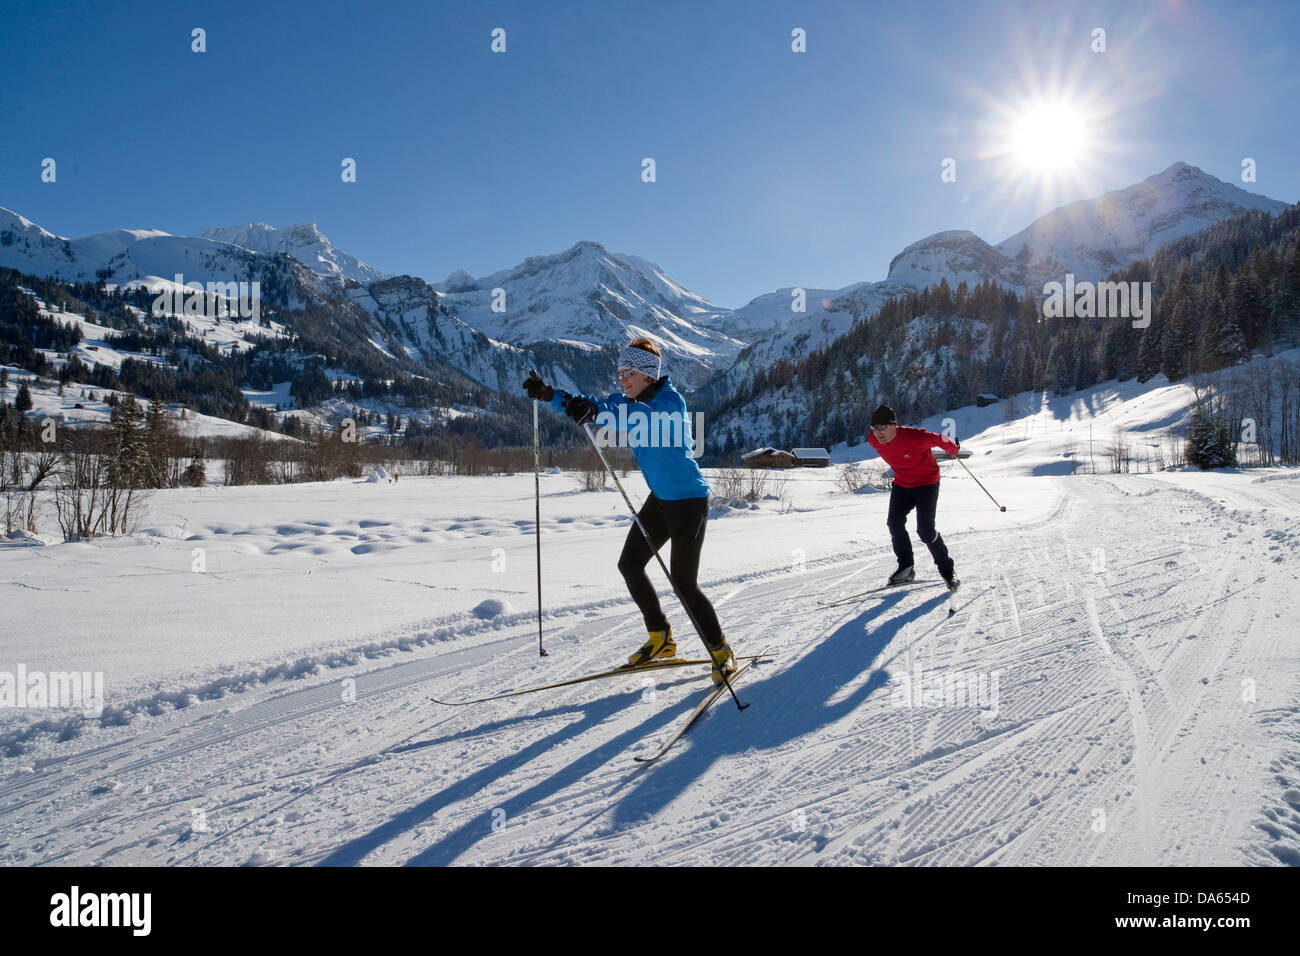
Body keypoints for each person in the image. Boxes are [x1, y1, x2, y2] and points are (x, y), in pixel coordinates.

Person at [522, 338, 736, 684]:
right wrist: (550, 394)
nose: (622, 379)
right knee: (630, 565)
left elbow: (632, 418)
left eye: (629, 373)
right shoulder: (628, 401)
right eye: (620, 372)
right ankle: (661, 638)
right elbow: (593, 404)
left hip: (689, 503)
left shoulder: (668, 403)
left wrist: (598, 414)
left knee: (683, 583)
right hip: (661, 500)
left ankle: (721, 651)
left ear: (648, 374)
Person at [866, 403, 961, 590]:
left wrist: (953, 449)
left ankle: (948, 572)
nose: (878, 433)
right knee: (894, 523)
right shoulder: (873, 439)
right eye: (874, 428)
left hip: (927, 484)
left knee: (925, 530)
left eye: (882, 427)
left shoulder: (915, 437)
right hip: (902, 484)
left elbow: (939, 438)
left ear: (894, 425)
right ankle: (906, 568)